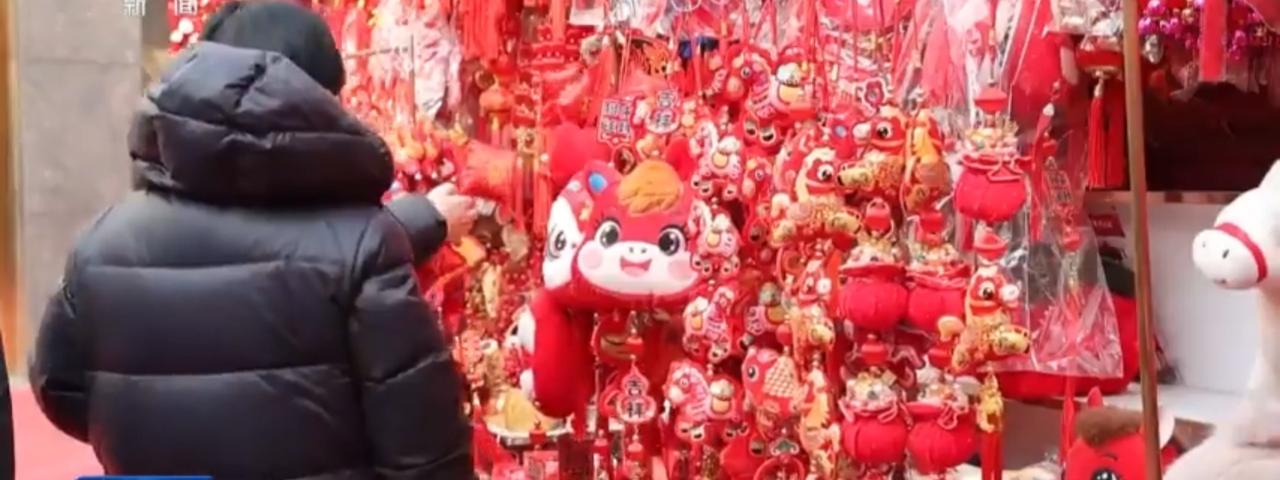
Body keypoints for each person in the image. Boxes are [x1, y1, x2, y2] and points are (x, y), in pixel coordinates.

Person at [28, 1, 476, 478]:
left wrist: (155, 433)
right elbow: (425, 450)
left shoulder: (103, 244)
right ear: (321, 95)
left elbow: (59, 384)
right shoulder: (361, 244)